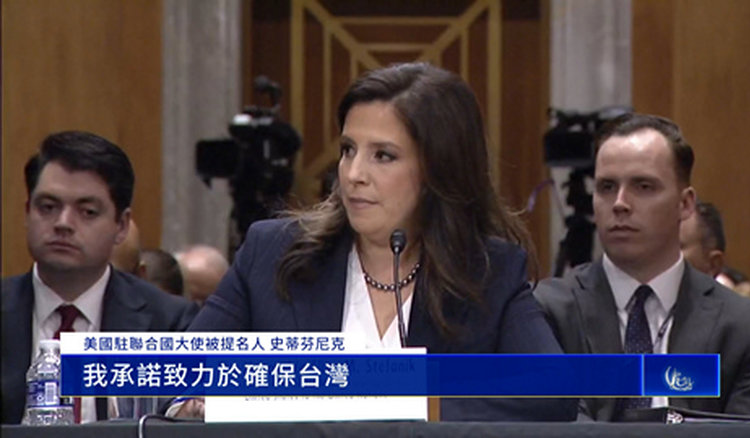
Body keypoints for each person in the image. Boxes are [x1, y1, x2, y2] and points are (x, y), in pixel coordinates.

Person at [178, 62, 576, 421]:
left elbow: (554, 393)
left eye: (383, 156)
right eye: (348, 150)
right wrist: (198, 402)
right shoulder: (273, 252)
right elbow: (180, 374)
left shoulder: (489, 271)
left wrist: (406, 400)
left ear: (439, 169)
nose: (353, 174)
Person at [533, 113, 750, 420]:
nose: (620, 203)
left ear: (685, 204)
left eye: (643, 186)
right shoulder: (546, 314)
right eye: (607, 187)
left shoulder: (746, 330)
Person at [1, 131, 200, 424]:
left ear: (121, 226)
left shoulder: (170, 323)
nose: (63, 223)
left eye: (87, 212)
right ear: (27, 212)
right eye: (48, 207)